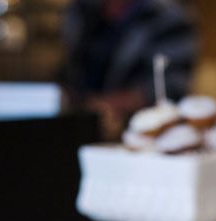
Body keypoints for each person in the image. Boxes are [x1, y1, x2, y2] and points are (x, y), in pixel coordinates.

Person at [62, 0, 196, 138]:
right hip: (73, 129)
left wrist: (104, 105)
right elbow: (66, 69)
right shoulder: (81, 10)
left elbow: (171, 86)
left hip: (139, 134)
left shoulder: (166, 16)